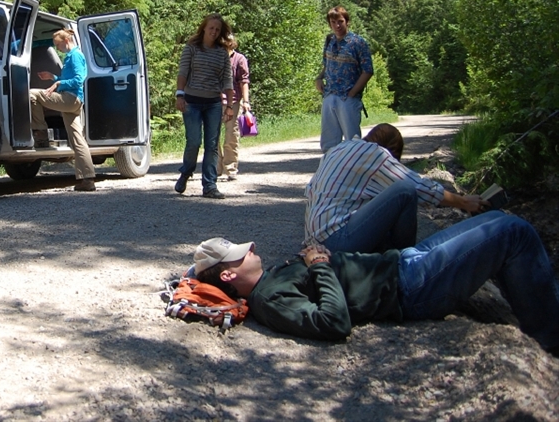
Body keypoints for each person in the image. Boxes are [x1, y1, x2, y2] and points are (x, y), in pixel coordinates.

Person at [192, 214, 559, 356]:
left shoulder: (270, 281)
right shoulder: (269, 300)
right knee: (515, 233)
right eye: (242, 253)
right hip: (411, 287)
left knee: (498, 218)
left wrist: (316, 256)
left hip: (405, 261)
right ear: (228, 275)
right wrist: (319, 266)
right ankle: (550, 340)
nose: (252, 247)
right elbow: (333, 322)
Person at [306, 123, 486, 253]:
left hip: (315, 240)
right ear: (392, 150)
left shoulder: (338, 149)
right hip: (336, 241)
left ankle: (382, 254)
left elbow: (311, 190)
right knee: (405, 190)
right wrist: (463, 202)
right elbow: (419, 187)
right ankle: (406, 263)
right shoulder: (375, 154)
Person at [174, 13, 234, 199]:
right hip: (192, 101)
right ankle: (186, 172)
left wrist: (229, 105)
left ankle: (209, 185)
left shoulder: (222, 52)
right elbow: (183, 73)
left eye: (217, 29)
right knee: (194, 141)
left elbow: (227, 80)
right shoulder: (191, 48)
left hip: (213, 104)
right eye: (211, 28)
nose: (214, 32)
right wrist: (180, 95)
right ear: (204, 29)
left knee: (212, 144)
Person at [30, 29, 96, 192]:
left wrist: (59, 84)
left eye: (58, 45)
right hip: (71, 100)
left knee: (32, 94)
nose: (58, 49)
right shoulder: (70, 57)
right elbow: (68, 79)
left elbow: (79, 80)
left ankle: (40, 132)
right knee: (77, 139)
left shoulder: (75, 56)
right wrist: (53, 78)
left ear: (66, 41)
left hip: (71, 99)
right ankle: (87, 180)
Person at [314, 6, 373, 153]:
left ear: (347, 22)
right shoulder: (329, 41)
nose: (337, 26)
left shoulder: (358, 43)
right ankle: (330, 173)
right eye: (333, 22)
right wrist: (319, 78)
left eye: (340, 21)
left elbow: (368, 70)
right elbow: (326, 65)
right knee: (328, 144)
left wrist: (353, 92)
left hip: (348, 98)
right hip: (329, 95)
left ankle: (354, 173)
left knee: (352, 142)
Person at [217, 33, 251, 182]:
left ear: (233, 42)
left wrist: (246, 102)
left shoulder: (239, 59)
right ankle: (216, 168)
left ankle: (230, 168)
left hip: (234, 102)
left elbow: (244, 81)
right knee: (213, 136)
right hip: (215, 101)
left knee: (231, 135)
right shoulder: (215, 58)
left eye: (228, 40)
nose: (226, 43)